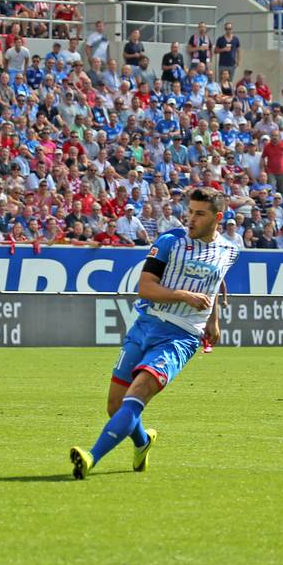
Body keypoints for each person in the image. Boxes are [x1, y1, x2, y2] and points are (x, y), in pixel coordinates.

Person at [70, 187, 241, 479]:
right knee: (115, 406)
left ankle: (91, 457)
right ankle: (143, 441)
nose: (191, 219)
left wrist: (214, 320)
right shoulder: (169, 241)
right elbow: (146, 288)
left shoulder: (230, 250)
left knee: (137, 394)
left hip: (182, 336)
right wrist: (184, 295)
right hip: (146, 325)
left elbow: (215, 283)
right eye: (190, 212)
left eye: (200, 214)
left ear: (218, 217)